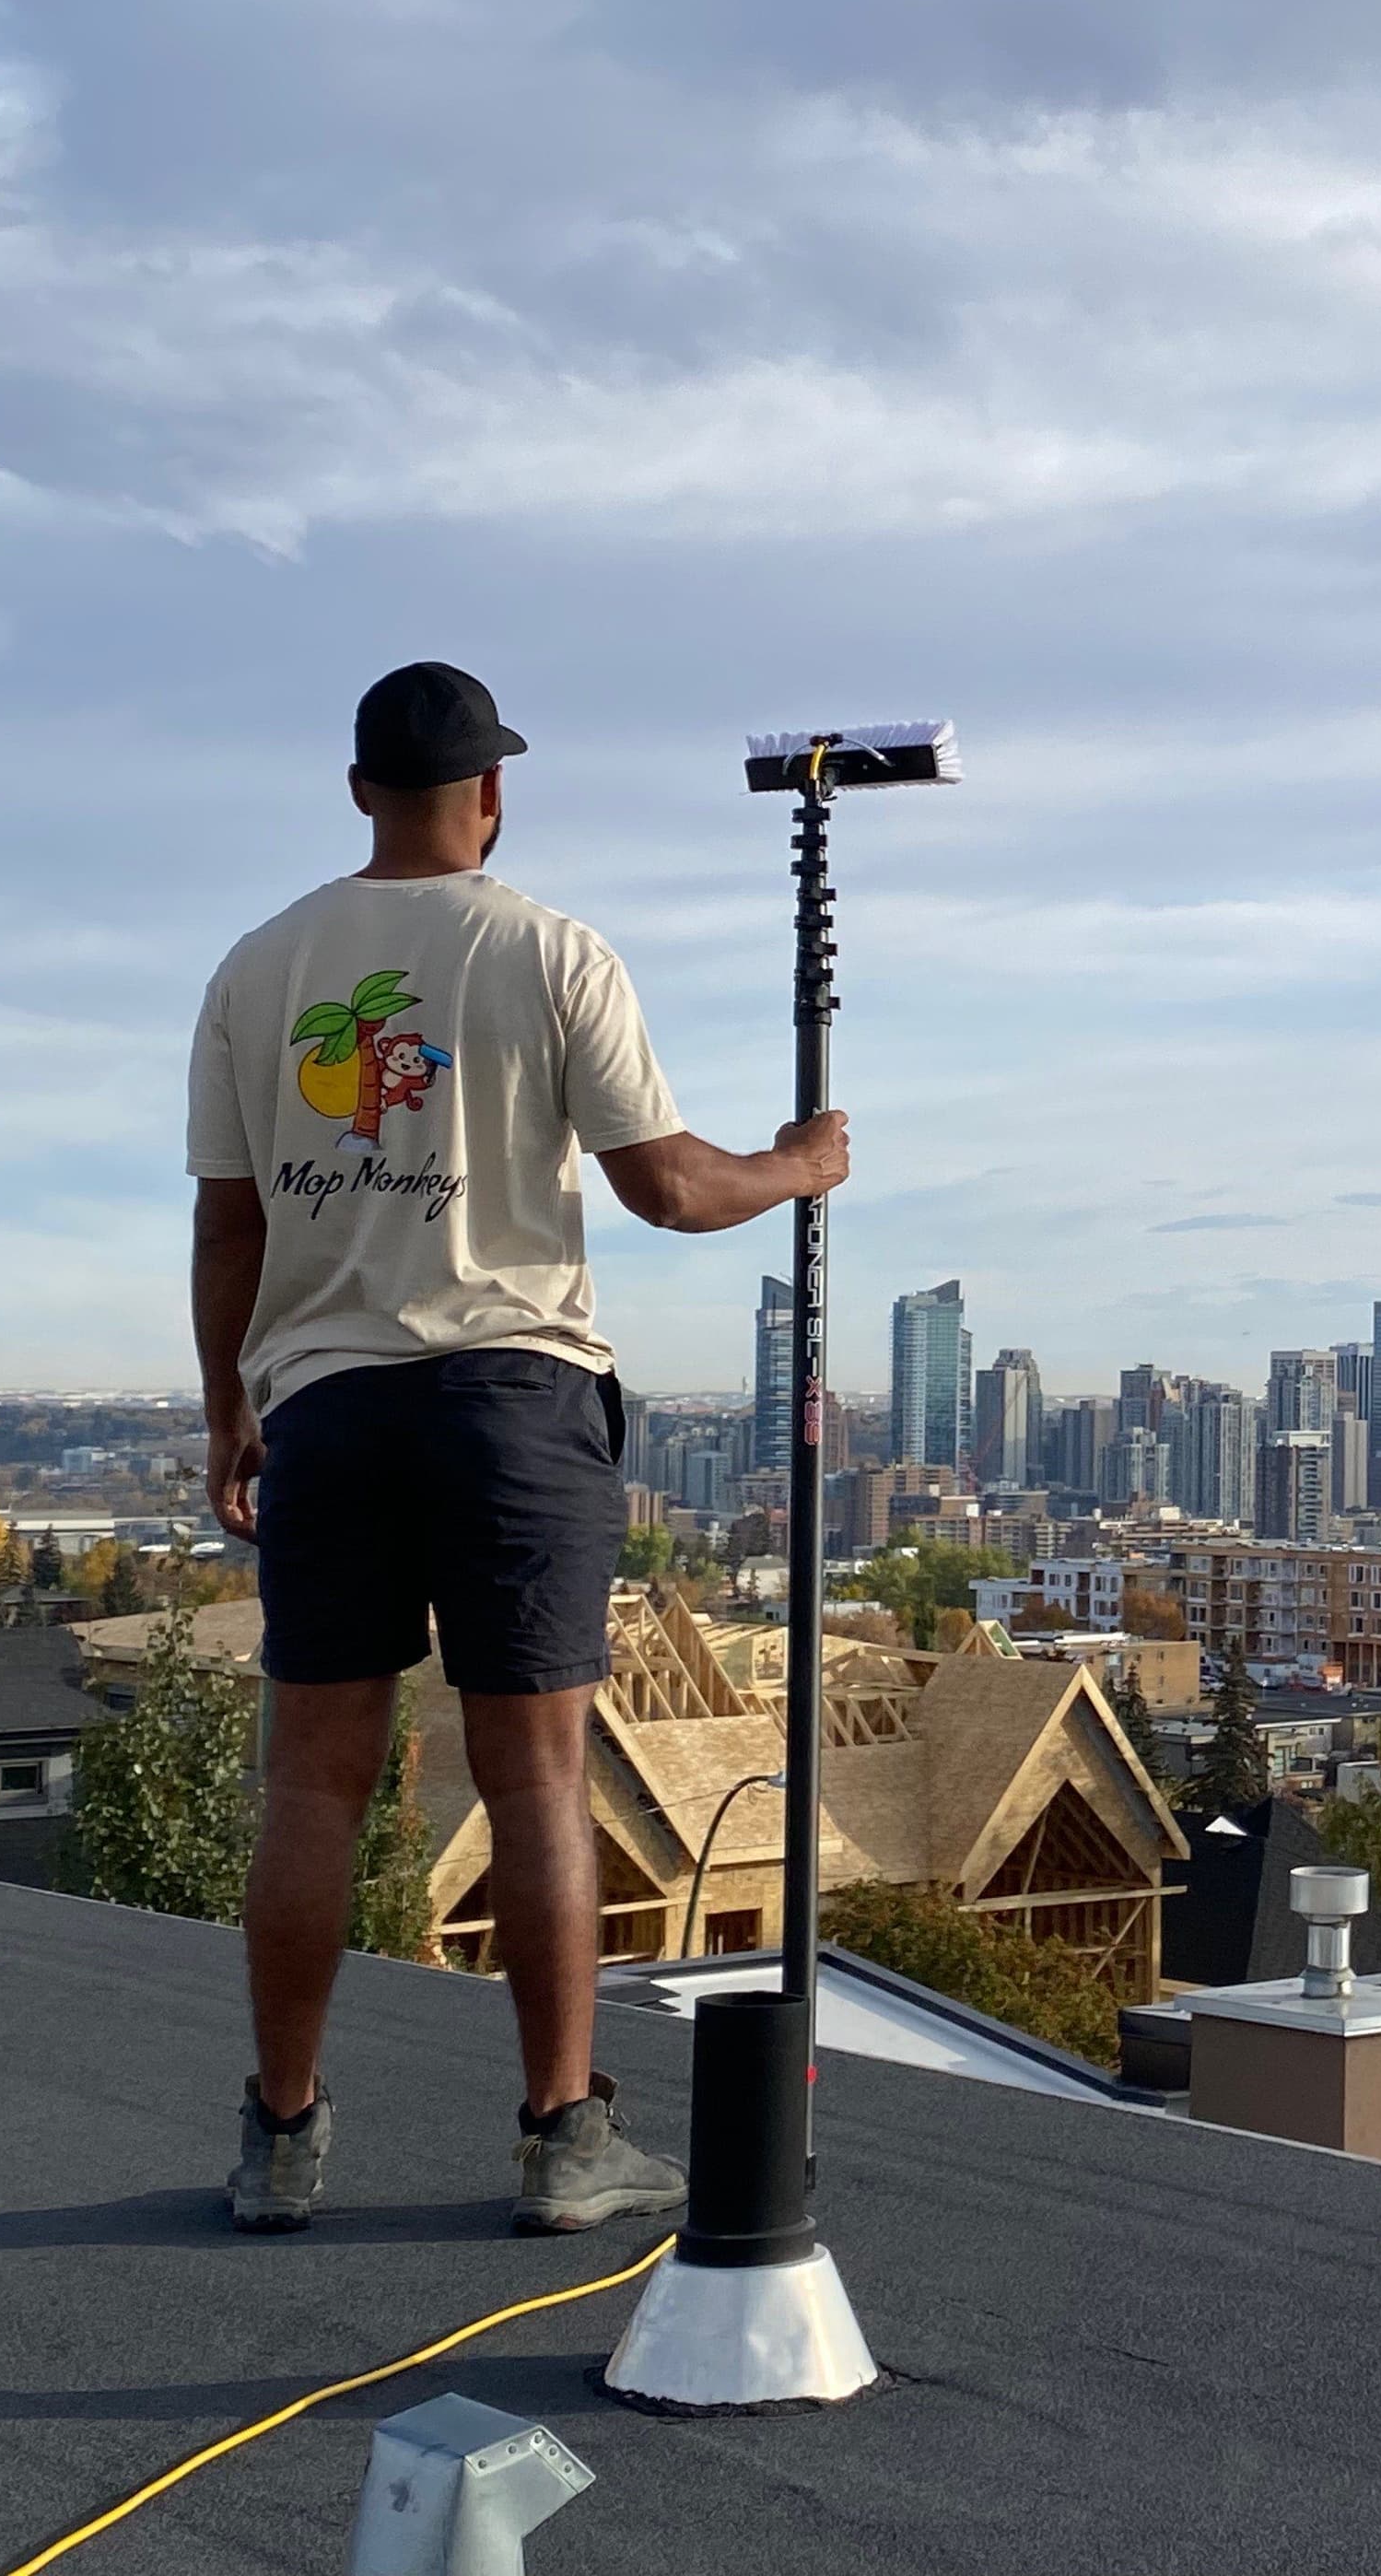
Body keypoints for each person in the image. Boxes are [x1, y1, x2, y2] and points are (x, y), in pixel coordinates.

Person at [189, 661, 848, 2236]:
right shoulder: (551, 951)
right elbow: (669, 1189)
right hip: (511, 1407)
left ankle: (282, 2139)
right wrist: (799, 1166)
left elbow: (231, 1222)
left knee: (313, 1786)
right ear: (493, 793)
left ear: (359, 789)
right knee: (538, 1778)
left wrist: (231, 1406)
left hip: (329, 1411)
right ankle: (564, 2141)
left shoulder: (259, 969)